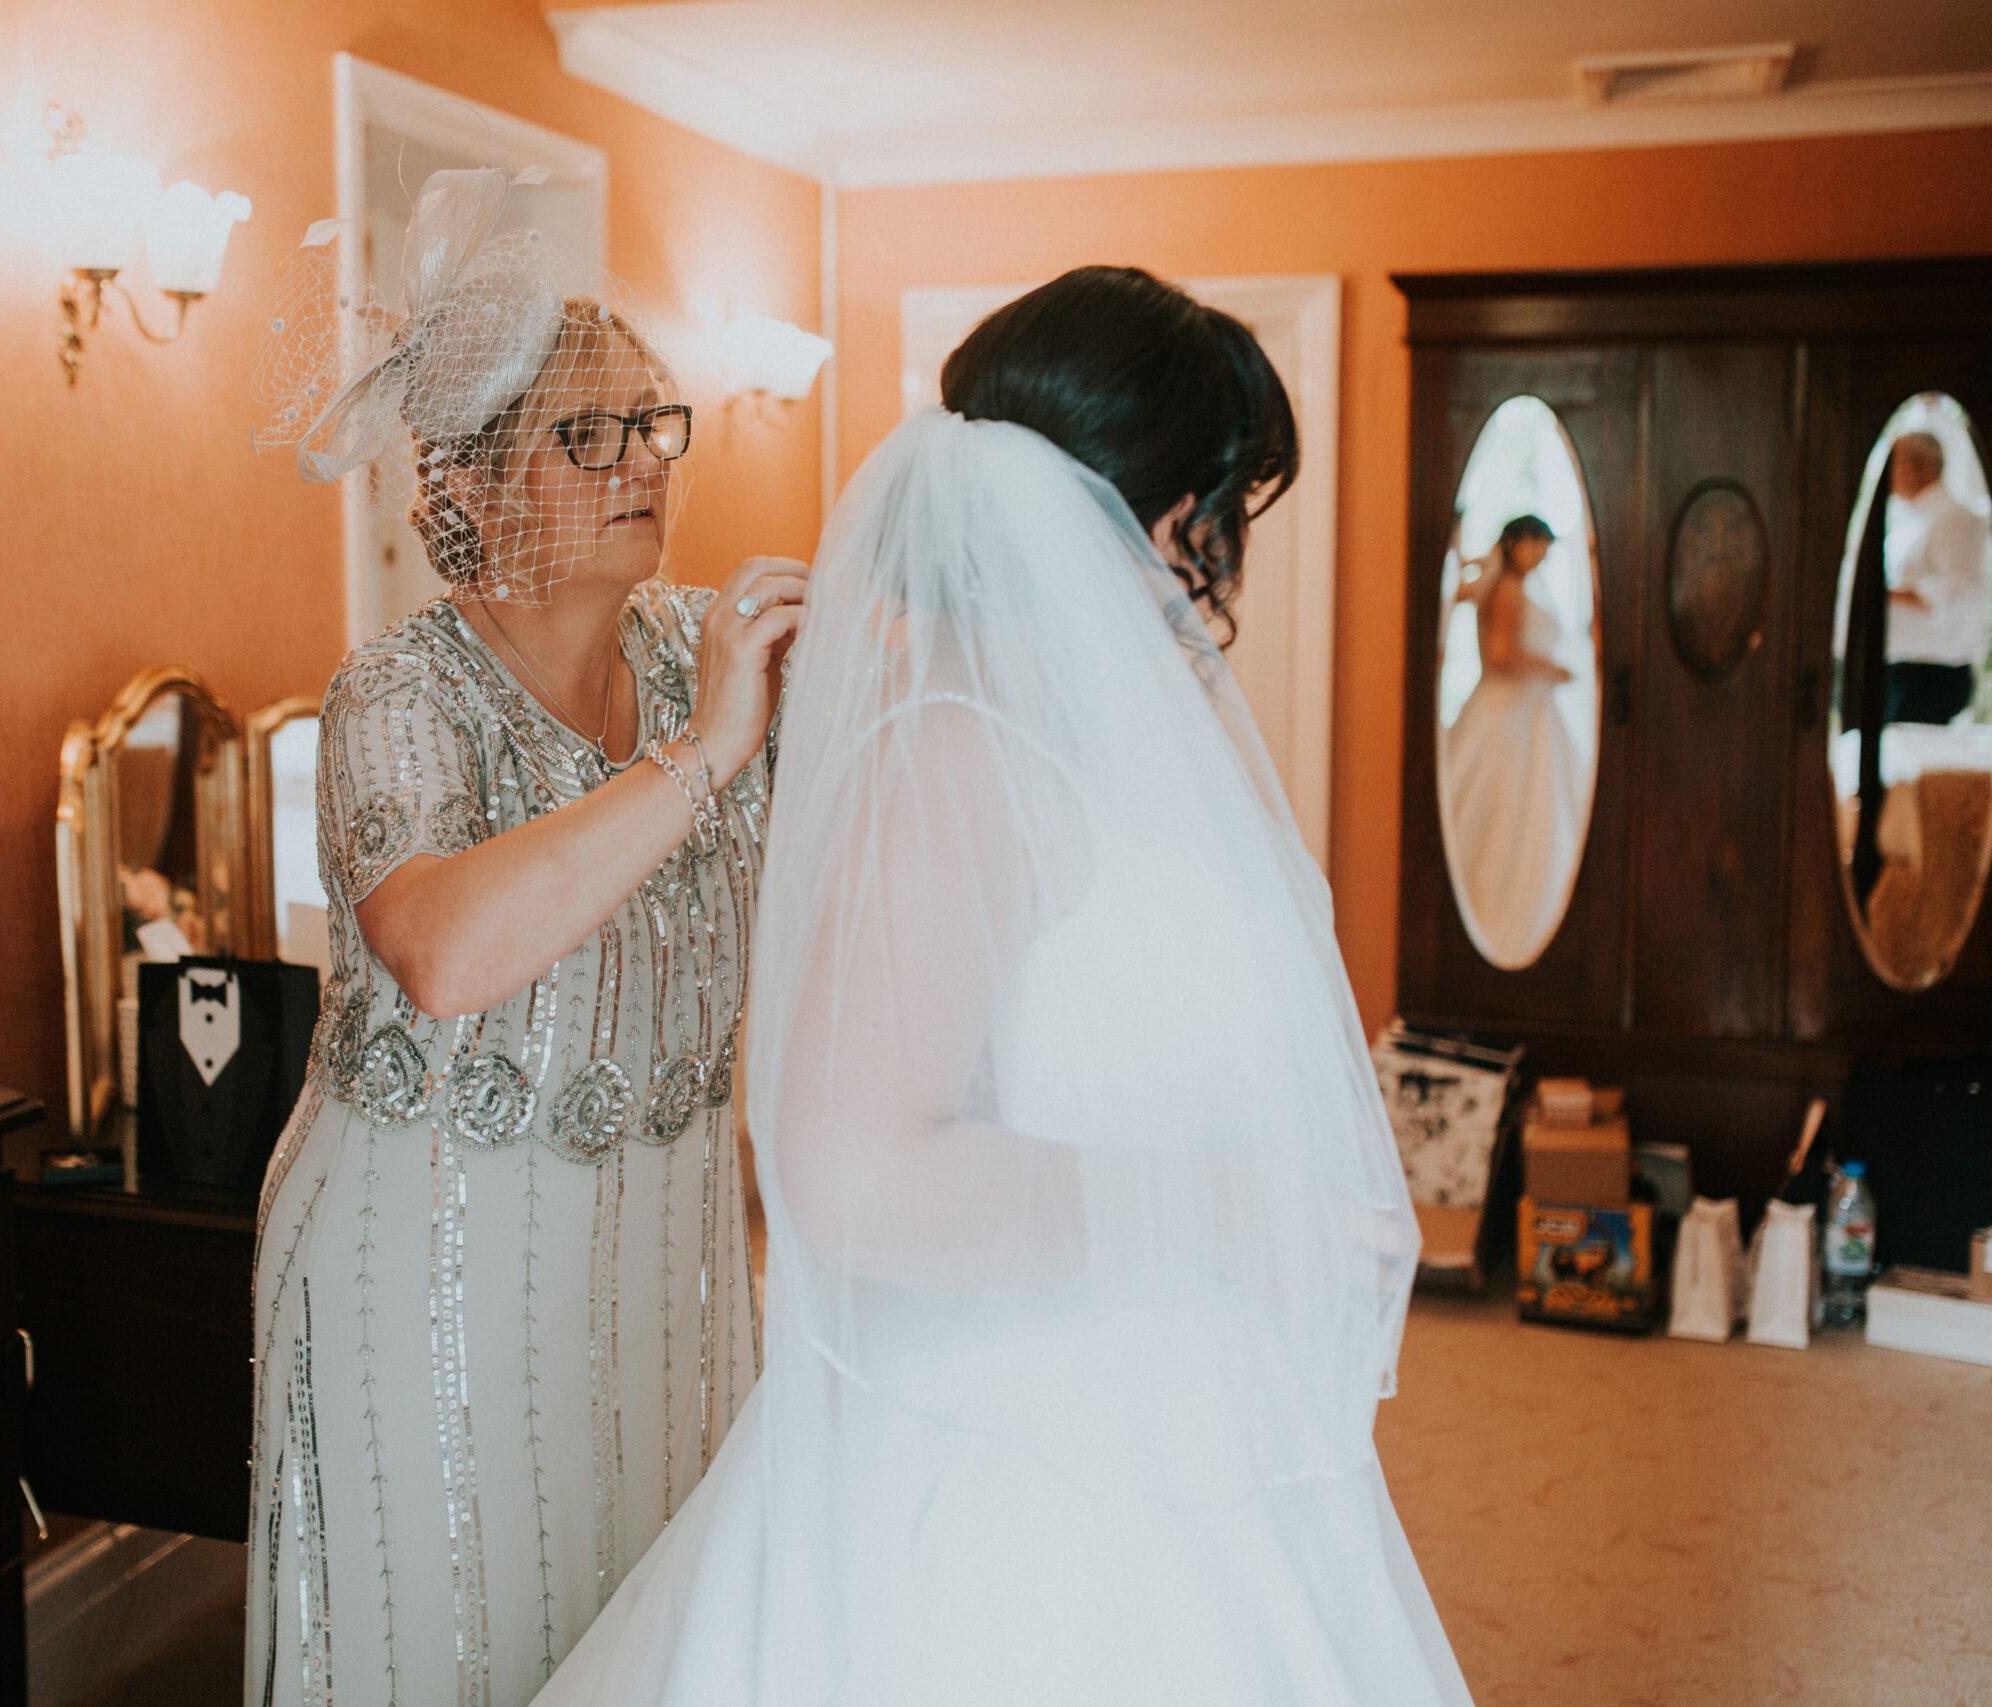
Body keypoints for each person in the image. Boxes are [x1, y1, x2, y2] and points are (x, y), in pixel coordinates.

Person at [530, 267, 1470, 1706]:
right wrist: (1215, 1201)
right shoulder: (956, 758)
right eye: (1209, 508)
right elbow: (847, 1172)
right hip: (1007, 1452)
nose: (1213, 555)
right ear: (1137, 509)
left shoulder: (1118, 741)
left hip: (1163, 1387)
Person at [246, 169, 803, 1707]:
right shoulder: (397, 694)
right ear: (473, 489)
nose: (642, 461)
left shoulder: (714, 649)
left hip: (669, 1250)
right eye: (588, 432)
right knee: (458, 1644)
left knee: (658, 1629)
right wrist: (697, 761)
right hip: (426, 1260)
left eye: (654, 421)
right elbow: (441, 949)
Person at [1441, 514, 1587, 965]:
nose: (1543, 553)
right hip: (1507, 714)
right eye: (1539, 544)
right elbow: (1501, 655)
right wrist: (1553, 670)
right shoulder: (1505, 588)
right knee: (1506, 808)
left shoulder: (1507, 584)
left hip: (1526, 714)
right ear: (1518, 542)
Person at [1882, 431, 1990, 725]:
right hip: (1903, 663)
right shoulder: (1910, 519)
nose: (1886, 471)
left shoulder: (1952, 517)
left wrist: (1880, 593)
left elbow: (1955, 590)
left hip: (1930, 671)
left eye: (1893, 461)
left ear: (1923, 465)